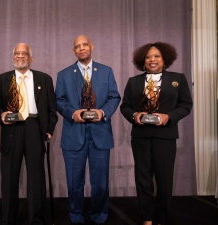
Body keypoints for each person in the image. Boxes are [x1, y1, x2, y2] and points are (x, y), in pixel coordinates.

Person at [120, 42, 192, 225]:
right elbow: (125, 106)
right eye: (148, 57)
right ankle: (147, 218)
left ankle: (162, 218)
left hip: (165, 136)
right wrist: (135, 115)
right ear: (142, 61)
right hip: (141, 137)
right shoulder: (133, 81)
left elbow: (185, 105)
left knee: (164, 180)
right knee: (143, 180)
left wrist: (169, 116)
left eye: (157, 56)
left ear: (164, 59)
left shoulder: (178, 79)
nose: (153, 60)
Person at [55, 35, 121, 225]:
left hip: (100, 134)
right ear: (73, 51)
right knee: (75, 183)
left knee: (100, 183)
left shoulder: (106, 71)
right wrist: (71, 113)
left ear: (92, 46)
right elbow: (59, 101)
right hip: (74, 135)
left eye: (85, 45)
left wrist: (103, 112)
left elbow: (114, 97)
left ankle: (99, 214)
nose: (81, 48)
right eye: (77, 46)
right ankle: (76, 215)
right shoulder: (64, 74)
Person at [0, 43, 58, 225]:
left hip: (34, 127)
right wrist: (1, 115)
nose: (20, 56)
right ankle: (8, 219)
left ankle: (36, 219)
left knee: (36, 178)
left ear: (31, 58)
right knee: (9, 178)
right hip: (11, 129)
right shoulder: (1, 79)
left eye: (24, 53)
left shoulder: (44, 79)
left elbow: (52, 109)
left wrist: (49, 130)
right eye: (17, 53)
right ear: (13, 56)